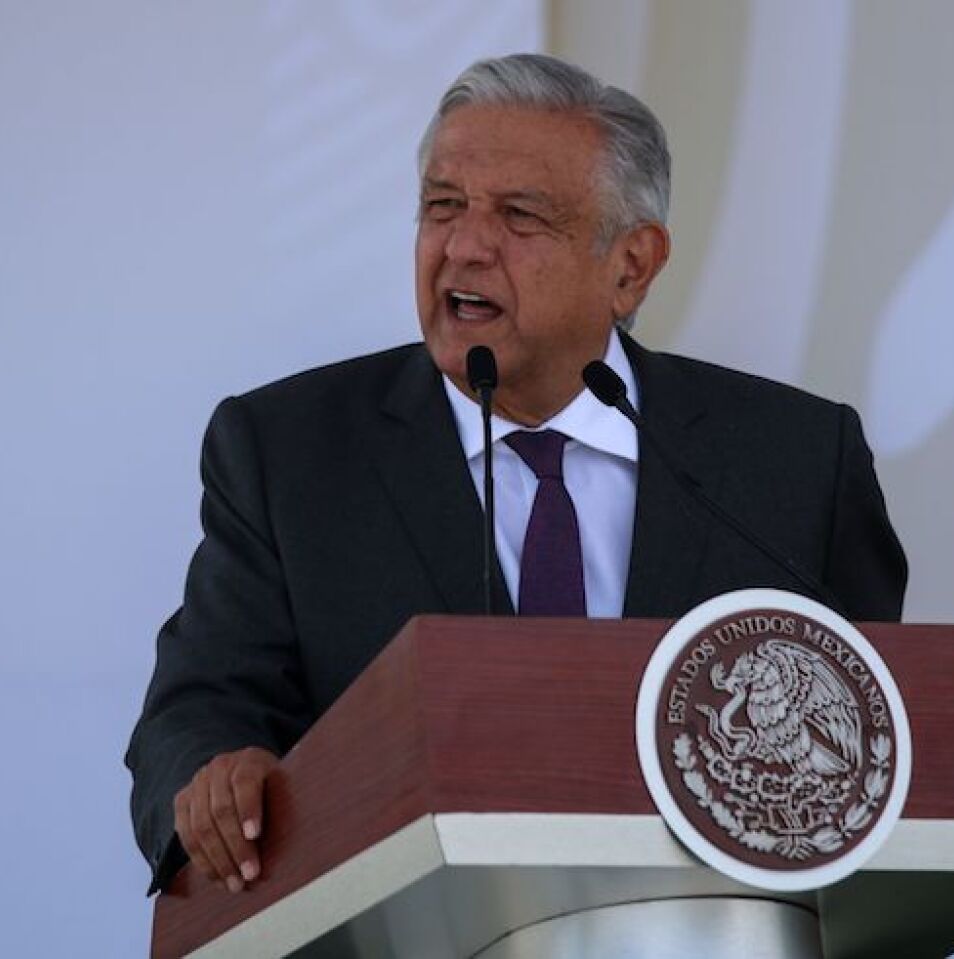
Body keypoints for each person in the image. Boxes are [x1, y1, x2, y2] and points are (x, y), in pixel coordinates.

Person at [126, 53, 906, 896]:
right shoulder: (290, 451)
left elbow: (882, 743)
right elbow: (200, 706)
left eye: (520, 217)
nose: (463, 246)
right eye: (442, 206)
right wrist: (211, 776)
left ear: (631, 266)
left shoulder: (793, 459)